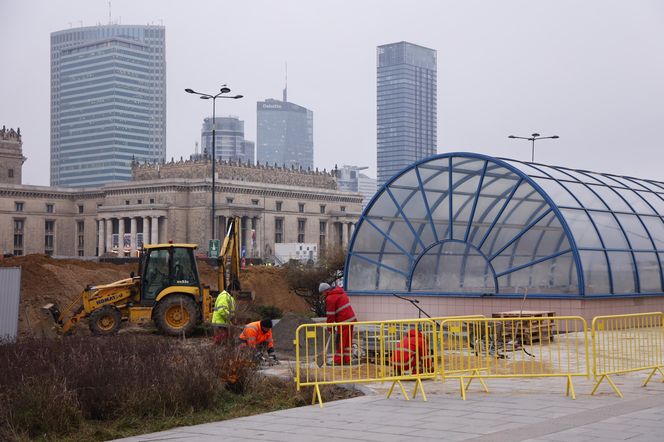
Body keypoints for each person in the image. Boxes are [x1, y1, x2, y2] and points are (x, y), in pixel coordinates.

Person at [319, 282, 357, 365]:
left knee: (340, 341)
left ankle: (338, 360)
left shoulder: (330, 298)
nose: (322, 295)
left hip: (344, 321)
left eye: (322, 293)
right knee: (347, 341)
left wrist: (329, 328)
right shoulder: (341, 292)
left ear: (325, 291)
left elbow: (330, 315)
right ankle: (347, 359)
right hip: (351, 319)